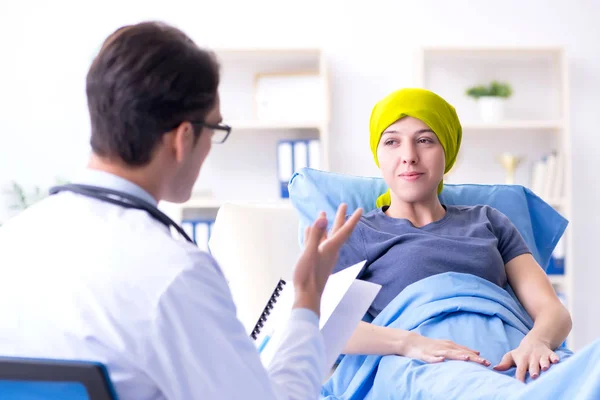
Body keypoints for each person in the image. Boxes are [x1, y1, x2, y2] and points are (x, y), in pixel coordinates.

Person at [0, 21, 362, 399]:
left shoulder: (12, 241)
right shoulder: (175, 273)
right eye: (215, 128)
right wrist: (306, 301)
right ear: (183, 137)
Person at [333, 88, 572, 383]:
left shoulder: (489, 221)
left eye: (424, 140)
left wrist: (538, 342)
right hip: (425, 366)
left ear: (447, 151)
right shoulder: (357, 232)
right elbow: (325, 325)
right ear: (378, 154)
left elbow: (553, 311)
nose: (408, 156)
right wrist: (407, 343)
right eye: (392, 141)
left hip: (515, 354)